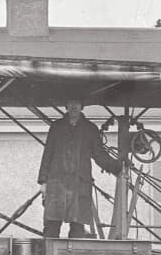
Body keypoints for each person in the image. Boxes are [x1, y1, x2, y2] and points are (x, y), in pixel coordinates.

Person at [38, 101, 121, 239]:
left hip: (79, 184)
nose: (74, 106)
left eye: (77, 103)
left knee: (77, 228)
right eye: (70, 103)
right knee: (51, 227)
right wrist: (43, 182)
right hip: (56, 184)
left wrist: (117, 167)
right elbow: (47, 154)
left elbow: (99, 154)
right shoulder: (56, 127)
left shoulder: (90, 129)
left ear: (82, 106)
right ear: (66, 106)